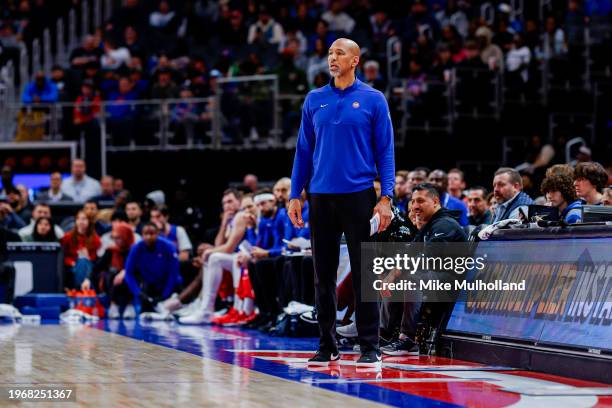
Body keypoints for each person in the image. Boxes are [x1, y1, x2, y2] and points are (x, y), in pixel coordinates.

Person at [288, 38, 394, 367]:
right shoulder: (314, 99)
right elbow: (303, 151)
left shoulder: (374, 100)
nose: (333, 58)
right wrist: (295, 193)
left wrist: (386, 196)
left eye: (340, 54)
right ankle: (327, 344)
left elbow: (385, 150)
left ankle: (369, 347)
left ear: (355, 60)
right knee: (323, 275)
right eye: (330, 53)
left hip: (359, 196)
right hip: (320, 197)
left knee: (364, 274)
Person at [381, 183, 467, 356]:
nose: (415, 206)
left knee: (411, 277)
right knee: (385, 275)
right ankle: (384, 333)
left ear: (435, 201)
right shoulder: (430, 224)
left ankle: (408, 339)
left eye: (420, 201)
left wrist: (397, 274)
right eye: (413, 201)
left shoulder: (445, 225)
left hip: (454, 281)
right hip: (433, 276)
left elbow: (426, 258)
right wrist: (390, 275)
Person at [179, 194, 258, 324]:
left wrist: (209, 251)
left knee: (215, 257)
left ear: (238, 202)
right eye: (224, 203)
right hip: (239, 257)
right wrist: (224, 224)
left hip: (245, 257)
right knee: (213, 258)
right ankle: (204, 307)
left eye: (230, 201)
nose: (227, 205)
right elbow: (219, 244)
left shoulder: (240, 216)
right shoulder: (231, 218)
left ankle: (236, 309)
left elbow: (229, 248)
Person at [82, 221, 136, 319]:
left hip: (129, 284)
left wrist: (125, 272)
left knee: (130, 277)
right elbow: (96, 268)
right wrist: (87, 279)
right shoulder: (111, 251)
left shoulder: (135, 251)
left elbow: (138, 268)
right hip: (112, 282)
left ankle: (129, 305)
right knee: (112, 272)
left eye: (119, 238)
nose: (116, 241)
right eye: (114, 238)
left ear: (126, 237)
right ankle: (113, 304)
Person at [124, 222, 181, 312]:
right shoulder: (136, 248)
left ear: (158, 233)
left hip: (167, 285)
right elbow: (129, 273)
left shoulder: (168, 247)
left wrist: (164, 295)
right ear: (142, 235)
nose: (148, 237)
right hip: (148, 286)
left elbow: (173, 274)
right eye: (146, 234)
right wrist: (138, 293)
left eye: (152, 234)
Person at [61, 210, 101, 289]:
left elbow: (95, 259)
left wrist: (87, 257)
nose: (81, 221)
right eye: (78, 219)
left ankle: (79, 289)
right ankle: (84, 290)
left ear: (89, 221)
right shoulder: (67, 237)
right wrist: (72, 262)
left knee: (84, 263)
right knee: (81, 263)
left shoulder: (96, 239)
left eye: (84, 219)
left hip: (88, 266)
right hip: (72, 265)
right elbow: (63, 255)